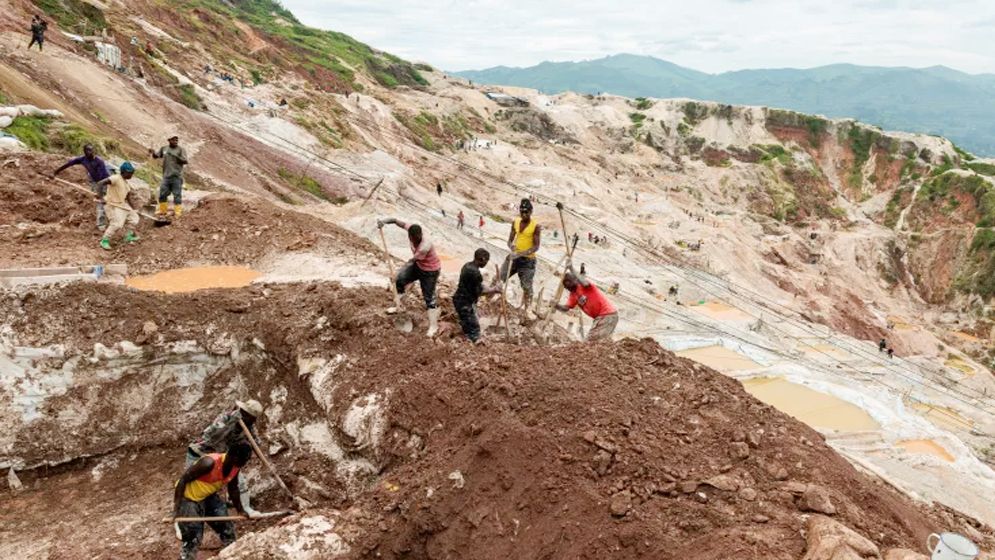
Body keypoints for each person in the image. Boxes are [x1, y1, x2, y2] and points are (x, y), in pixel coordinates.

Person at [174, 443, 252, 560]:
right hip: (188, 498)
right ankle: (187, 557)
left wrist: (241, 510)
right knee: (193, 536)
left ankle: (232, 553)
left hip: (207, 495)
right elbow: (182, 481)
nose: (245, 463)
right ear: (234, 457)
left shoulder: (235, 466)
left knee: (225, 526)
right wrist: (177, 509)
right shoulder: (209, 463)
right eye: (244, 460)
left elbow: (233, 488)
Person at [185, 400, 264, 517]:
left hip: (222, 458)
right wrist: (232, 424)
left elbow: (257, 443)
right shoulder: (226, 418)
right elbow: (213, 434)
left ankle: (245, 508)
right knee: (191, 485)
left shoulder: (249, 426)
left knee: (238, 481)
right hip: (200, 452)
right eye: (246, 414)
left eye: (253, 419)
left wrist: (253, 446)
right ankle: (182, 517)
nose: (253, 421)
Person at [377, 217, 442, 337]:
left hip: (430, 271)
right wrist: (384, 222)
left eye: (417, 238)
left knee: (429, 298)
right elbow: (396, 221)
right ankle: (398, 305)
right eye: (413, 238)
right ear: (410, 236)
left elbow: (411, 261)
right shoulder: (411, 229)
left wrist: (396, 273)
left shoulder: (424, 246)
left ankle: (434, 326)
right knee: (400, 281)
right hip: (419, 265)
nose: (414, 240)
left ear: (420, 235)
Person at [52, 144, 111, 229]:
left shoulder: (99, 161)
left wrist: (99, 191)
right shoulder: (82, 159)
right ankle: (101, 224)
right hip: (95, 182)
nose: (90, 152)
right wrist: (56, 172)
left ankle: (110, 220)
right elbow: (69, 164)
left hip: (105, 182)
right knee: (100, 202)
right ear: (84, 151)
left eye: (92, 150)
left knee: (106, 201)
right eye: (88, 150)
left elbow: (102, 177)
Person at [555, 265, 619, 341]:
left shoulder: (585, 286)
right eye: (565, 284)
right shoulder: (573, 295)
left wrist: (572, 268)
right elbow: (566, 308)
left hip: (607, 315)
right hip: (602, 317)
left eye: (569, 281)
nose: (567, 285)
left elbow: (584, 282)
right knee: (600, 342)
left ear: (575, 280)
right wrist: (556, 305)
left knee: (590, 342)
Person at [499, 198, 541, 308]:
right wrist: (510, 245)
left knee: (527, 287)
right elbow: (509, 240)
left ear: (531, 212)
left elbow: (536, 247)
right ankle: (487, 299)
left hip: (528, 261)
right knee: (499, 277)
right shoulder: (516, 222)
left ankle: (528, 309)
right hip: (514, 257)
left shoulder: (535, 226)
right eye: (522, 212)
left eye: (526, 212)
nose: (524, 214)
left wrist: (521, 254)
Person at [453, 249, 501, 343]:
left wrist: (493, 288)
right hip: (464, 303)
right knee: (475, 330)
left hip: (461, 299)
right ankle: (471, 345)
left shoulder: (467, 265)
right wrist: (495, 289)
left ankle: (466, 331)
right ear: (482, 259)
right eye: (486, 260)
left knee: (470, 321)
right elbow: (480, 291)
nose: (486, 263)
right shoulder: (475, 273)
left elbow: (478, 285)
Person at [94, 162, 139, 251]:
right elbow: (100, 183)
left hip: (122, 204)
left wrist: (134, 208)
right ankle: (105, 240)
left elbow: (128, 197)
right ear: (123, 172)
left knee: (134, 218)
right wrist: (101, 197)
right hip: (112, 204)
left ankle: (128, 235)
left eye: (132, 173)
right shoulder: (116, 178)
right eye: (130, 173)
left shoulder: (126, 183)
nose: (131, 175)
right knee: (117, 224)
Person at [150, 135, 189, 218]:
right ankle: (163, 211)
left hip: (176, 176)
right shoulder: (164, 148)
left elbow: (185, 161)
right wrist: (152, 152)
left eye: (176, 140)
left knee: (177, 195)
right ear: (169, 140)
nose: (175, 141)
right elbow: (156, 156)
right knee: (162, 194)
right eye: (174, 140)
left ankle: (178, 212)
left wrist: (175, 156)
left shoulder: (181, 150)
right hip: (166, 176)